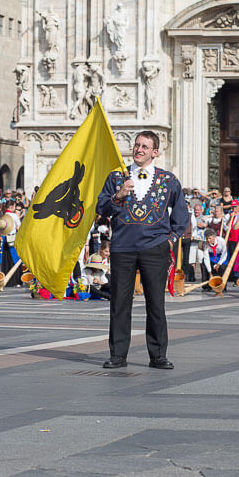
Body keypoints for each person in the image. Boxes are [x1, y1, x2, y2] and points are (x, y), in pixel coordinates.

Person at [96, 130, 189, 370]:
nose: (138, 149)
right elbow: (101, 207)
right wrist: (119, 195)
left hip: (153, 248)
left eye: (144, 146)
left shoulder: (169, 180)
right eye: (136, 145)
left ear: (154, 152)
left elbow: (181, 213)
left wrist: (170, 239)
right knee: (119, 302)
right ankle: (118, 354)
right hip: (123, 247)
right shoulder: (117, 177)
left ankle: (158, 354)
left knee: (156, 303)